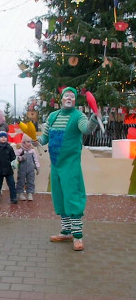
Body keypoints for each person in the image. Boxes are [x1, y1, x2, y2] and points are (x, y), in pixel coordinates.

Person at [38, 87, 98, 251]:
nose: (69, 98)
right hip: (56, 165)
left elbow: (86, 129)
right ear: (61, 99)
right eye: (66, 95)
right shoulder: (52, 116)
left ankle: (77, 236)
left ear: (75, 100)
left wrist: (94, 118)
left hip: (70, 166)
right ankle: (66, 231)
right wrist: (35, 140)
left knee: (73, 197)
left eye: (72, 96)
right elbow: (45, 138)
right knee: (60, 197)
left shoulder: (78, 116)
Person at [0, 131, 17, 204]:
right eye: (1, 137)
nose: (3, 138)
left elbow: (13, 157)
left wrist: (13, 163)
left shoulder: (9, 148)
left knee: (11, 184)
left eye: (5, 137)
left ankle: (13, 197)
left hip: (8, 169)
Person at [15, 133, 40, 201]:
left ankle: (30, 193)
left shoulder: (32, 151)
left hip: (31, 169)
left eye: (30, 142)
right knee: (21, 181)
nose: (29, 143)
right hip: (22, 169)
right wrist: (20, 158)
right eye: (28, 142)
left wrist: (37, 167)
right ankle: (20, 193)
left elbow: (36, 159)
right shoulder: (20, 150)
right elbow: (15, 158)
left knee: (31, 181)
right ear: (23, 142)